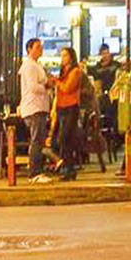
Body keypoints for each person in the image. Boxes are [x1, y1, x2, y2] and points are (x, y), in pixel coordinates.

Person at [19, 38, 55, 183]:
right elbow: (33, 87)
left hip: (39, 106)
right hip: (34, 107)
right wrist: (46, 86)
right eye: (37, 47)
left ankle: (38, 170)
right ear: (29, 49)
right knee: (36, 140)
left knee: (39, 140)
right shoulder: (29, 66)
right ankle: (34, 172)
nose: (41, 49)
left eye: (41, 47)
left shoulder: (36, 65)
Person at [49, 47, 84, 182]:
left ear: (71, 57)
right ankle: (68, 168)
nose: (62, 58)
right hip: (61, 107)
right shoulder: (64, 72)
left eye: (65, 55)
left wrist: (56, 81)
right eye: (61, 55)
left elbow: (68, 88)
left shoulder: (75, 72)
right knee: (64, 139)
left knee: (65, 138)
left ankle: (68, 167)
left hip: (71, 107)